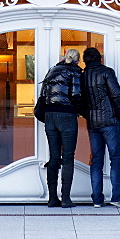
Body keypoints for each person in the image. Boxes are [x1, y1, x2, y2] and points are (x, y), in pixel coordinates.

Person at [81, 46, 120, 208]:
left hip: (93, 123)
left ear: (85, 60)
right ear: (99, 59)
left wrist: (87, 114)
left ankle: (97, 199)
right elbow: (117, 94)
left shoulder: (82, 76)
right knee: (115, 159)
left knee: (96, 160)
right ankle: (117, 197)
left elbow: (79, 100)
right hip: (110, 121)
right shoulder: (106, 72)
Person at [39, 48, 83, 208]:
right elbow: (76, 95)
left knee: (54, 157)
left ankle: (52, 198)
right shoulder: (75, 72)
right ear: (78, 60)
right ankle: (65, 198)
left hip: (50, 116)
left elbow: (43, 95)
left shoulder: (52, 71)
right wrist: (81, 110)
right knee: (68, 157)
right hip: (67, 116)